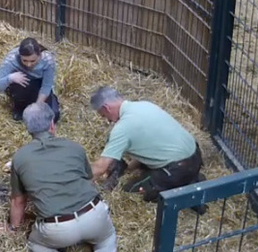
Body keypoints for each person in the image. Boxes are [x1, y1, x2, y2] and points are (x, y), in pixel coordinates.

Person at [3, 102, 120, 252]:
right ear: (52, 124)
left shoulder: (20, 158)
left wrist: (13, 228)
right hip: (93, 213)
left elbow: (18, 201)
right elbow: (88, 180)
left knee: (34, 243)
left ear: (27, 128)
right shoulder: (74, 147)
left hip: (57, 227)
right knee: (107, 236)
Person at [88, 86, 207, 214]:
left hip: (177, 168)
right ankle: (190, 179)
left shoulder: (123, 128)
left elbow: (101, 167)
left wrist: (84, 182)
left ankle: (186, 193)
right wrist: (129, 170)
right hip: (195, 154)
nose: (107, 121)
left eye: (103, 115)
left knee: (131, 190)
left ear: (107, 108)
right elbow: (147, 145)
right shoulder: (145, 105)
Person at [0, 37, 60, 122]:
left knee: (53, 116)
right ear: (20, 55)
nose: (28, 64)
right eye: (24, 60)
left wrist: (37, 106)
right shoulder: (12, 58)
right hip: (21, 86)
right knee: (20, 117)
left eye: (33, 61)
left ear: (39, 55)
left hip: (39, 86)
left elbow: (46, 86)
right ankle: (19, 107)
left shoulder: (47, 60)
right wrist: (10, 78)